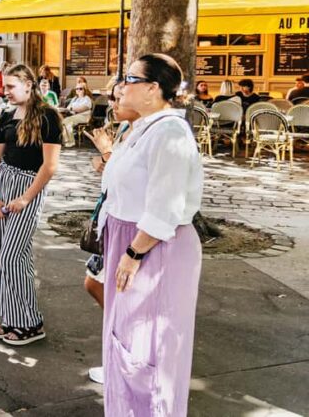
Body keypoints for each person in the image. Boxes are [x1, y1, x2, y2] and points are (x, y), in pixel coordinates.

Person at [100, 53, 203, 415]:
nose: (121, 86)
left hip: (153, 248)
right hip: (130, 242)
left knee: (146, 350)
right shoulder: (140, 127)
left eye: (129, 78)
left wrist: (133, 253)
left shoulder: (170, 130)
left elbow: (166, 204)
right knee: (125, 340)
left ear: (153, 88)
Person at [0, 64, 61, 345]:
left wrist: (26, 197)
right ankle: (13, 317)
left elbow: (50, 166)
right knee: (1, 257)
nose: (4, 92)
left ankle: (29, 323)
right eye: (4, 86)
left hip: (28, 188)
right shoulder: (6, 116)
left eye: (10, 86)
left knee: (13, 256)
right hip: (4, 187)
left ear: (29, 84)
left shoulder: (48, 117)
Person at [82, 81, 140, 385]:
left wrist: (106, 154)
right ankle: (123, 344)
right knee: (94, 283)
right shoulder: (127, 130)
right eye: (111, 99)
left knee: (106, 287)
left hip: (129, 227)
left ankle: (127, 349)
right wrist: (105, 159)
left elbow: (132, 182)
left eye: (119, 98)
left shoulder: (146, 134)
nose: (113, 105)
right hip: (111, 220)